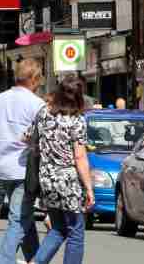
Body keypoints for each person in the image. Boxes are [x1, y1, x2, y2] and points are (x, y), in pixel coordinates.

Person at [0, 58, 45, 264]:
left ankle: (36, 258)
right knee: (18, 219)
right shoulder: (37, 104)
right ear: (33, 79)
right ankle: (3, 261)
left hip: (3, 170)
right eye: (39, 79)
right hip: (24, 171)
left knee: (24, 217)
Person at [23, 74, 94, 264]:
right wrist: (89, 188)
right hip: (69, 182)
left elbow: (27, 137)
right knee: (76, 232)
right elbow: (80, 157)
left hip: (47, 179)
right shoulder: (77, 121)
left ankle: (35, 262)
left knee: (58, 228)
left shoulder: (43, 113)